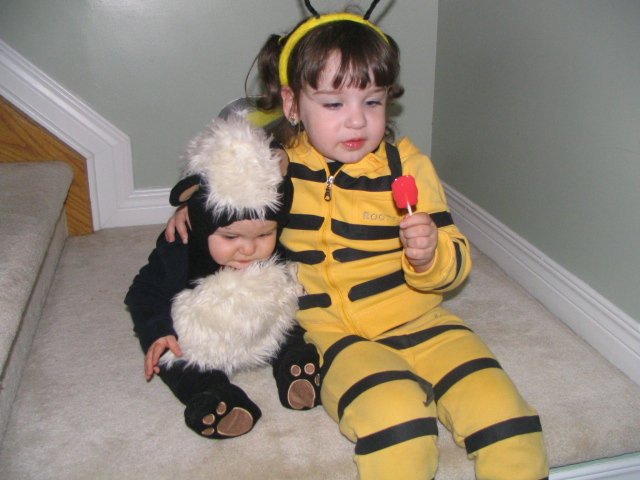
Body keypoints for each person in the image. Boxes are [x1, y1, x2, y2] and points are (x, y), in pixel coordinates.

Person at [168, 3, 549, 478]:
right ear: (292, 105)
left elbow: (455, 262)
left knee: (504, 416)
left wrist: (431, 254)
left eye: (372, 102)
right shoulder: (271, 166)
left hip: (423, 319)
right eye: (334, 104)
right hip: (330, 335)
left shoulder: (407, 168)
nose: (356, 121)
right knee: (398, 422)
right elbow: (227, 204)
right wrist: (195, 210)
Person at [125, 115, 320, 440]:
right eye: (230, 237)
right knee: (174, 360)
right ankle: (215, 398)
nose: (249, 249)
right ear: (203, 226)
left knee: (294, 329)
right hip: (204, 339)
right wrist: (157, 332)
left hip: (264, 328)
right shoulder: (181, 249)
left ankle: (295, 368)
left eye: (264, 235)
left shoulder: (275, 238)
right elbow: (144, 292)